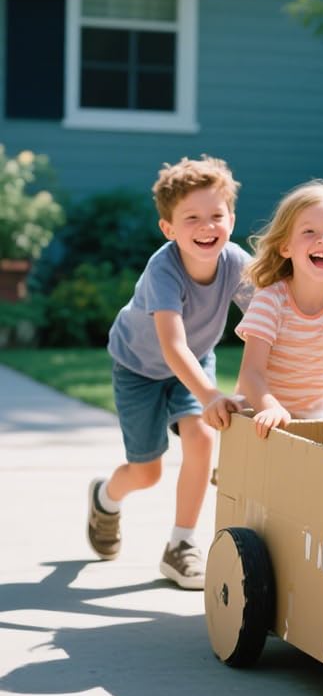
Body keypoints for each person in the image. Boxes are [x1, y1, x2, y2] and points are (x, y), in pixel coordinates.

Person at [86, 155, 252, 589]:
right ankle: (105, 499)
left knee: (201, 436)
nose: (206, 226)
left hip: (195, 360)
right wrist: (213, 394)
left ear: (231, 219)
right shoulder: (164, 270)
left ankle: (180, 545)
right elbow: (171, 346)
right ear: (168, 228)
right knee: (147, 472)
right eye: (191, 218)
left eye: (216, 215)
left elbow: (268, 319)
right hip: (139, 367)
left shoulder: (237, 263)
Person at [206, 180, 323, 438]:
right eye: (309, 232)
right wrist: (271, 408)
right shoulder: (271, 300)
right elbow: (251, 373)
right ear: (285, 247)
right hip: (264, 409)